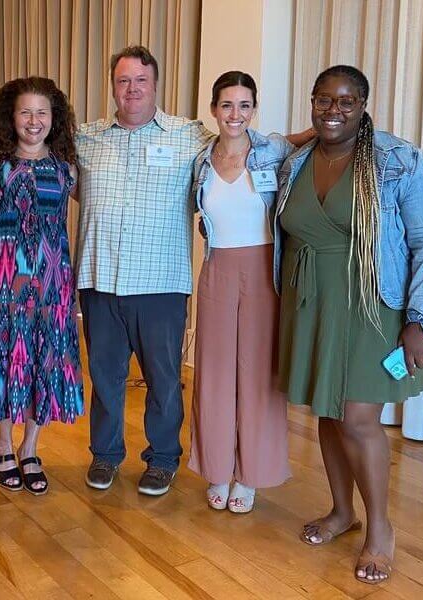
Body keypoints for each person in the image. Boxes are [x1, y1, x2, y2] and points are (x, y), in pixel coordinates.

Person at [275, 65, 423, 584]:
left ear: (364, 104)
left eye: (347, 101)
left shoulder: (398, 160)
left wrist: (419, 320)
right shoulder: (297, 160)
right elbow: (243, 152)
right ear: (312, 102)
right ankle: (340, 511)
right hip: (311, 302)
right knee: (328, 413)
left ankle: (380, 531)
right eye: (324, 100)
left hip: (373, 303)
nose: (334, 111)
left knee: (358, 419)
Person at [75, 45, 213, 496]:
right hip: (101, 280)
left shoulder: (189, 135)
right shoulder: (85, 138)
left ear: (155, 85)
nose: (131, 89)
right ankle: (106, 455)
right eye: (123, 81)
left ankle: (162, 458)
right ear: (112, 86)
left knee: (165, 378)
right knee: (105, 377)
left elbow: (240, 148)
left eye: (140, 80)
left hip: (161, 284)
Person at [189, 71, 313, 513]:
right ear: (213, 110)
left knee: (258, 375)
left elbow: (315, 133)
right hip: (217, 268)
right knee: (216, 372)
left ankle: (251, 474)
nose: (235, 115)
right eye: (226, 105)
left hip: (264, 270)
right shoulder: (201, 158)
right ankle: (218, 467)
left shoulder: (273, 149)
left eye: (244, 105)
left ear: (254, 109)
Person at [0, 77, 83, 496]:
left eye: (42, 113)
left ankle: (31, 447)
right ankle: (3, 443)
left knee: (44, 357)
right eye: (25, 112)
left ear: (55, 118)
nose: (34, 121)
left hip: (51, 280)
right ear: (10, 117)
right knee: (5, 353)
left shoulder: (67, 166)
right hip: (2, 275)